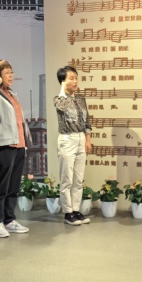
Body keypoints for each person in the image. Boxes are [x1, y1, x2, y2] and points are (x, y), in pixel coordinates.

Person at [0, 60, 31, 238]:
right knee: (1, 186)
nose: (11, 76)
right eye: (6, 73)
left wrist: (24, 143)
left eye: (11, 72)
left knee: (13, 186)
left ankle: (9, 220)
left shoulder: (11, 94)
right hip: (1, 145)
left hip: (18, 145)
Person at [54, 66, 93, 225]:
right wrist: (63, 90)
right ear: (63, 81)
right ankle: (68, 212)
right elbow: (61, 108)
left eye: (76, 78)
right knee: (67, 179)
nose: (75, 81)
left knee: (78, 178)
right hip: (67, 139)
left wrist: (88, 140)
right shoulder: (59, 99)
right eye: (71, 78)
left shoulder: (81, 99)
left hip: (80, 138)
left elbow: (87, 121)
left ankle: (76, 210)